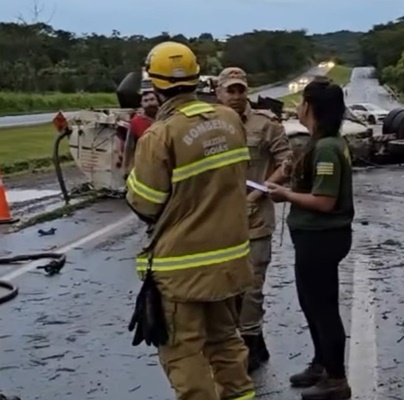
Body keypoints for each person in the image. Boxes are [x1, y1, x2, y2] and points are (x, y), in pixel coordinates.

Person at [126, 41, 255, 400]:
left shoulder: (159, 135)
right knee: (227, 345)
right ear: (198, 78)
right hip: (229, 260)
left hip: (181, 269)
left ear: (155, 85)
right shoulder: (230, 120)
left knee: (184, 354)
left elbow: (145, 205)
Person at [266, 79, 354, 400]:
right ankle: (321, 363)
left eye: (302, 102)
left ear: (311, 107)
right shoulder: (316, 142)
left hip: (323, 238)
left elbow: (324, 201)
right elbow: (291, 169)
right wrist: (261, 189)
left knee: (324, 307)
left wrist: (284, 195)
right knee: (310, 303)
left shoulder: (328, 147)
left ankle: (336, 380)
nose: (298, 107)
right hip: (310, 238)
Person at [216, 67, 292, 372]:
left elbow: (286, 163)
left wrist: (257, 194)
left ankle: (250, 343)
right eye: (229, 91)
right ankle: (246, 340)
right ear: (218, 92)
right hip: (217, 221)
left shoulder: (266, 124)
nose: (235, 97)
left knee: (252, 286)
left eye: (240, 90)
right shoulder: (206, 126)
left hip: (255, 218)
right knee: (224, 285)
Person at [116, 90, 158, 171]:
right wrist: (126, 167)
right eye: (146, 101)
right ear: (141, 104)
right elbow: (129, 146)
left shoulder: (165, 117)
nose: (149, 103)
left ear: (158, 101)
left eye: (152, 99)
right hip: (144, 164)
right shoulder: (136, 122)